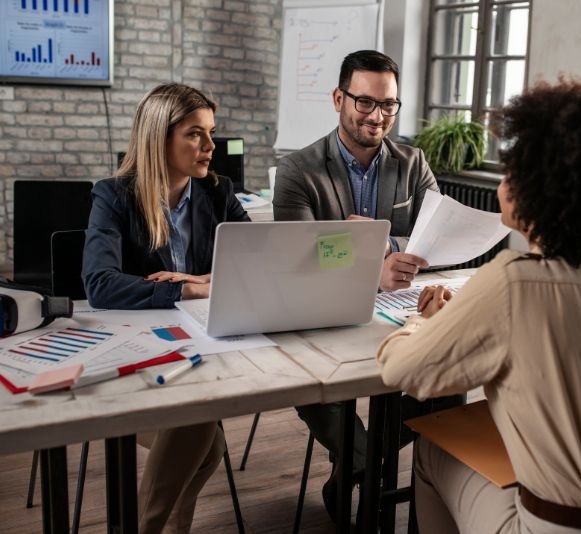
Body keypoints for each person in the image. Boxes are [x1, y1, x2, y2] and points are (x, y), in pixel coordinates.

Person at [377, 79, 581, 533]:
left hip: (569, 528)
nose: (503, 182)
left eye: (510, 171)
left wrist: (421, 323)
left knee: (432, 448)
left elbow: (401, 373)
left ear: (539, 187)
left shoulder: (513, 279)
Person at [273, 49, 457, 520]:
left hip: (397, 313)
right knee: (310, 380)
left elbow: (437, 236)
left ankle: (357, 470)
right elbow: (298, 253)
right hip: (321, 312)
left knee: (446, 380)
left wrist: (377, 242)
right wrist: (367, 263)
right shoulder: (298, 170)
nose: (378, 116)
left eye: (389, 105)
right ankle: (365, 467)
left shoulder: (413, 164)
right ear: (339, 98)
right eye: (365, 103)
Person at [83, 82, 250, 533]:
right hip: (134, 354)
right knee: (200, 427)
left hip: (200, 348)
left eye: (211, 132)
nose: (210, 146)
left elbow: (257, 261)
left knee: (203, 437)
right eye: (195, 133)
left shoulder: (218, 192)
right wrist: (193, 290)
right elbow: (101, 285)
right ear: (160, 138)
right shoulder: (114, 196)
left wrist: (196, 281)